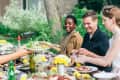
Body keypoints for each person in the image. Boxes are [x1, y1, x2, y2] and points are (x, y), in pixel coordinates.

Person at [76, 5, 120, 79]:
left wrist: (86, 58)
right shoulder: (114, 36)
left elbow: (106, 63)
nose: (102, 23)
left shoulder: (118, 36)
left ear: (112, 19)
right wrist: (85, 56)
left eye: (104, 20)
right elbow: (105, 59)